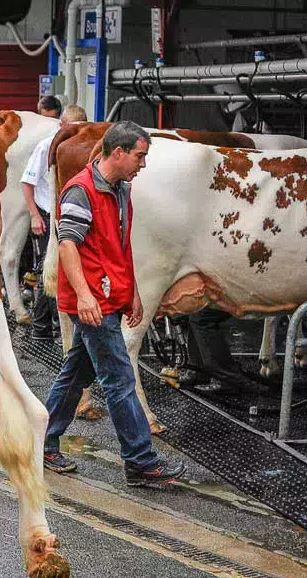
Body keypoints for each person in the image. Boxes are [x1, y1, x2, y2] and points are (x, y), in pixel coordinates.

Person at [41, 120, 186, 487]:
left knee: (77, 373)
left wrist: (132, 290)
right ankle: (140, 462)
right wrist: (86, 295)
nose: (143, 164)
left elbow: (118, 246)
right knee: (120, 380)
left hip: (109, 298)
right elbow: (68, 245)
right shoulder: (80, 192)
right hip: (92, 304)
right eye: (140, 156)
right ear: (118, 153)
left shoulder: (120, 189)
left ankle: (40, 441)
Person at [20, 105, 88, 340]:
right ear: (61, 126)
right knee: (47, 269)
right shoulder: (46, 145)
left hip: (71, 216)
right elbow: (27, 182)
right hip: (49, 213)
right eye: (69, 127)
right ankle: (41, 327)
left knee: (61, 268)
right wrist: (34, 215)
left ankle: (49, 325)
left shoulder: (84, 145)